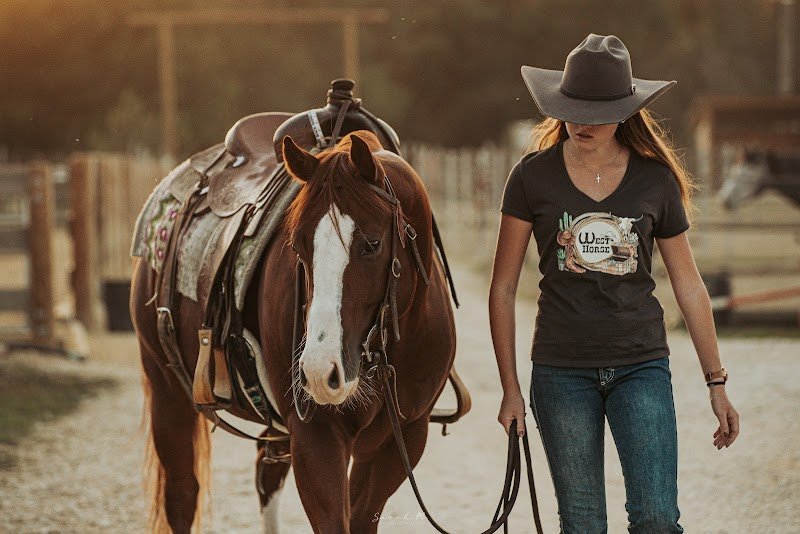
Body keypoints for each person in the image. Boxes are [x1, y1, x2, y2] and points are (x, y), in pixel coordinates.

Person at [489, 34, 740, 533]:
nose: (581, 122)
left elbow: (688, 286)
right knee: (581, 525)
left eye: (597, 111)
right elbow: (501, 287)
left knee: (656, 519)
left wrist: (717, 383)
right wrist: (510, 390)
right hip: (560, 373)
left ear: (624, 111)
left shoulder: (655, 181)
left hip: (641, 366)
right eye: (572, 108)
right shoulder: (530, 178)